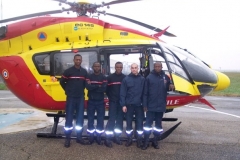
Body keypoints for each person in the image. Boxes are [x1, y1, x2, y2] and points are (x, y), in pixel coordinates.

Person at [142, 62, 175, 150]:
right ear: (154, 67)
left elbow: (169, 87)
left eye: (159, 66)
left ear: (161, 67)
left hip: (160, 106)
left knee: (158, 125)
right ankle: (146, 141)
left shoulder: (166, 77)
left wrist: (171, 86)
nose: (157, 68)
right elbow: (145, 93)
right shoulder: (149, 77)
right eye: (156, 66)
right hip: (151, 105)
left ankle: (155, 140)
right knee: (148, 124)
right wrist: (145, 104)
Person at [60, 54, 88, 148]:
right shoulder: (68, 71)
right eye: (77, 59)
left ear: (81, 60)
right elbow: (62, 82)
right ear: (74, 60)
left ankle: (79, 137)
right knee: (69, 118)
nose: (78, 61)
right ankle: (67, 138)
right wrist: (67, 90)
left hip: (80, 97)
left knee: (80, 118)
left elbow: (85, 84)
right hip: (71, 98)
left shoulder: (84, 72)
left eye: (80, 59)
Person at [120, 63, 145, 148]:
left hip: (139, 105)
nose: (134, 69)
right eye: (132, 68)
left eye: (135, 68)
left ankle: (139, 139)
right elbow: (122, 93)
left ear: (138, 68)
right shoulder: (126, 79)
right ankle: (129, 139)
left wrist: (145, 105)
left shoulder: (142, 79)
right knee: (129, 123)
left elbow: (145, 93)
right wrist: (123, 105)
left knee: (139, 123)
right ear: (130, 69)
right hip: (129, 105)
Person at [104, 62, 126, 148]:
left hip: (121, 102)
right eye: (117, 67)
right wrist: (111, 97)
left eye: (120, 67)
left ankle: (117, 137)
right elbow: (107, 90)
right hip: (113, 102)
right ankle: (108, 138)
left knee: (120, 120)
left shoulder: (125, 78)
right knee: (112, 120)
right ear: (115, 68)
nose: (119, 68)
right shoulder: (110, 78)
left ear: (122, 68)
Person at [86, 62, 107, 145]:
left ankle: (98, 136)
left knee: (100, 119)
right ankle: (91, 136)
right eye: (95, 66)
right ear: (93, 67)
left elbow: (104, 88)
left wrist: (93, 87)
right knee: (90, 119)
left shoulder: (103, 77)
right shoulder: (89, 76)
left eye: (98, 66)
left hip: (100, 101)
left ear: (100, 67)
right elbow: (88, 87)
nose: (97, 67)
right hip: (91, 101)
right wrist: (98, 86)